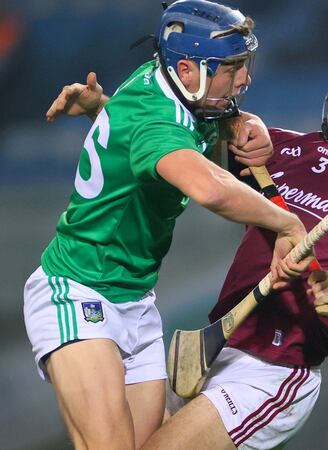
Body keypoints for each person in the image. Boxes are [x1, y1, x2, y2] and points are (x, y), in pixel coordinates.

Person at [53, 48, 328, 449]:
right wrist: (106, 109)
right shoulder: (282, 147)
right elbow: (170, 147)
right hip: (214, 343)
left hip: (273, 367)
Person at [24, 2, 310, 449]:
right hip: (80, 290)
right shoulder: (159, 121)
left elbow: (186, 125)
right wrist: (287, 222)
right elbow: (209, 189)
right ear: (187, 68)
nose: (245, 79)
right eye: (232, 68)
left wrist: (242, 123)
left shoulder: (167, 84)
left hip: (136, 302)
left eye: (244, 65)